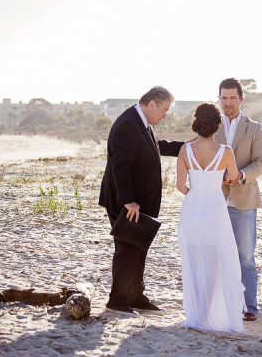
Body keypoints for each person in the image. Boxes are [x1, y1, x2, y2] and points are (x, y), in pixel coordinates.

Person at [99, 86, 184, 317]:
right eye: (164, 109)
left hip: (139, 202)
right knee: (127, 249)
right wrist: (128, 200)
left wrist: (188, 146)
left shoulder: (142, 122)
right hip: (126, 202)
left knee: (138, 248)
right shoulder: (128, 123)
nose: (165, 114)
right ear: (151, 104)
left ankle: (136, 296)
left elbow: (157, 146)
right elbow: (120, 164)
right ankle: (117, 300)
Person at [176, 102, 246, 332]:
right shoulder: (226, 151)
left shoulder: (185, 150)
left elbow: (179, 186)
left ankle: (196, 313)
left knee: (193, 261)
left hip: (192, 210)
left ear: (196, 123)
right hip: (215, 209)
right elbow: (234, 176)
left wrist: (195, 195)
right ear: (217, 125)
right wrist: (220, 181)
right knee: (215, 261)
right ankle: (208, 313)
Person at [215, 78, 262, 321]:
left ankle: (249, 307)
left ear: (241, 99)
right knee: (218, 253)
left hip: (244, 200)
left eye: (232, 97)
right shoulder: (212, 126)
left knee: (245, 256)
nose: (228, 102)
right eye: (224, 98)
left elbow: (261, 163)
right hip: (215, 200)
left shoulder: (254, 128)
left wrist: (240, 175)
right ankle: (223, 304)